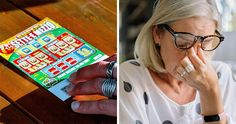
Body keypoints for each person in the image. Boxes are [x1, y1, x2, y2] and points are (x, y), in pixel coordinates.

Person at [120, 0, 236, 124]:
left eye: (205, 43)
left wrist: (210, 91)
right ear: (157, 33)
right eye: (183, 43)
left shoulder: (222, 75)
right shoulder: (128, 77)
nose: (193, 57)